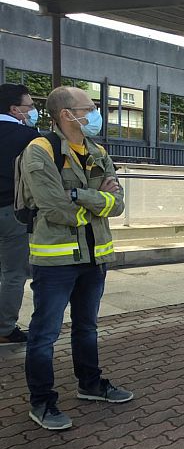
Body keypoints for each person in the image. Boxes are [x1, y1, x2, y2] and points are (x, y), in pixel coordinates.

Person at [19, 86, 131, 430]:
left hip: (94, 258)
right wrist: (97, 200)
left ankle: (90, 384)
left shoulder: (97, 150)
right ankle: (42, 402)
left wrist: (78, 195)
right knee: (44, 334)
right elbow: (55, 209)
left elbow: (119, 204)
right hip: (56, 261)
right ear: (67, 114)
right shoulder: (40, 151)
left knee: (87, 327)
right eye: (90, 108)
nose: (96, 114)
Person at [0, 84, 39, 345]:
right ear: (15, 109)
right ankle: (4, 328)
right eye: (30, 106)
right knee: (13, 273)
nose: (33, 110)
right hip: (11, 211)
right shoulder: (28, 136)